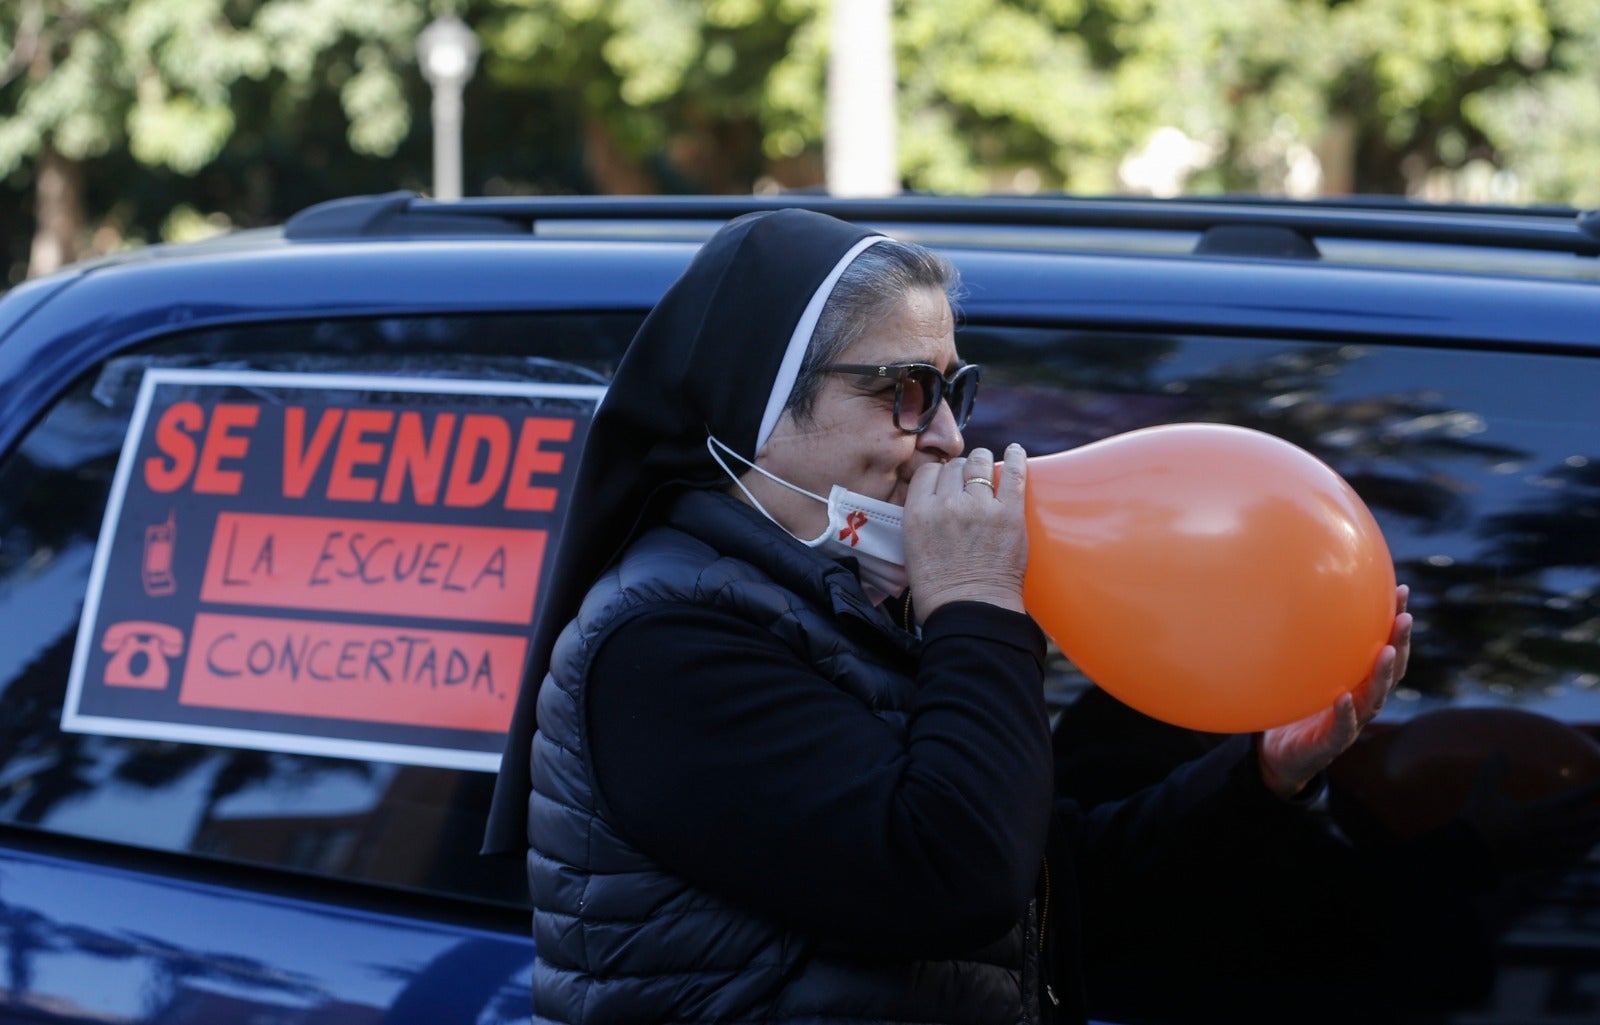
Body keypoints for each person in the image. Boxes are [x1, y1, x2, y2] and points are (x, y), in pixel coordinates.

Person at [483, 208, 1412, 1024]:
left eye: (951, 390)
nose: (949, 440)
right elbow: (953, 878)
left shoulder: (855, 599)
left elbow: (1044, 882)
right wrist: (976, 601)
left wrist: (1261, 776)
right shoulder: (664, 642)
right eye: (905, 392)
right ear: (762, 402)